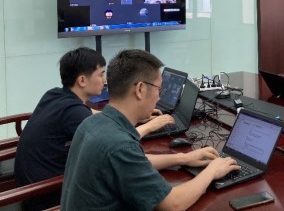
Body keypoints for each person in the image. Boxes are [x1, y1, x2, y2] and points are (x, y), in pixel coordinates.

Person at [61, 49, 240, 210]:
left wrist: (183, 158)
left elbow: (134, 162)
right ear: (140, 89)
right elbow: (173, 204)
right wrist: (212, 171)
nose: (159, 97)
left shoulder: (92, 123)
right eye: (159, 90)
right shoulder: (120, 145)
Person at [14, 47, 174, 211]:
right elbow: (113, 139)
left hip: (29, 181)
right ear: (82, 80)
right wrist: (150, 126)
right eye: (100, 74)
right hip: (46, 192)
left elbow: (95, 114)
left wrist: (136, 114)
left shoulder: (55, 94)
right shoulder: (78, 116)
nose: (105, 80)